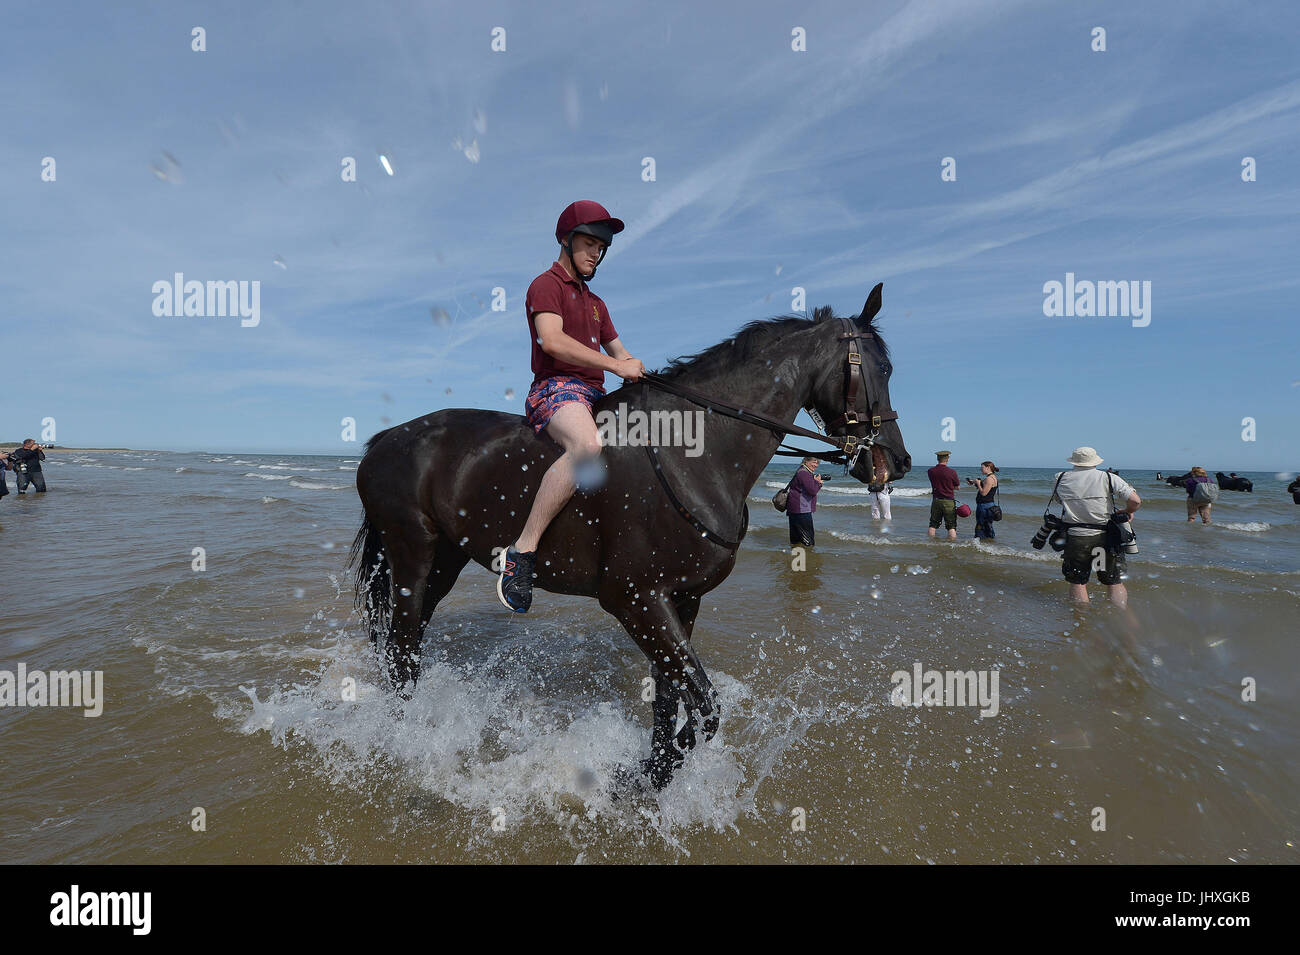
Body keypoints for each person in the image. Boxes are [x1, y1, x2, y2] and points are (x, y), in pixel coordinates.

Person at [497, 201, 645, 613]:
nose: (597, 252)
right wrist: (617, 365)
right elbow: (553, 341)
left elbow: (622, 354)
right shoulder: (546, 286)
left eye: (603, 246)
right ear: (567, 239)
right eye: (589, 242)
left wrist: (639, 373)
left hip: (596, 396)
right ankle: (521, 554)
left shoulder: (598, 304)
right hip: (556, 388)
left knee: (650, 443)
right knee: (587, 448)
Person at [1046, 447, 1141, 607]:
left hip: (1076, 537)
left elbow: (1059, 500)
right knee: (1112, 581)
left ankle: (1081, 620)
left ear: (1074, 461)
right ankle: (1118, 617)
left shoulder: (1060, 478)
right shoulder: (1108, 477)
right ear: (1095, 461)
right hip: (1105, 538)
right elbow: (1135, 501)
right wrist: (1128, 511)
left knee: (1078, 582)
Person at [787, 455, 825, 547]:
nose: (815, 465)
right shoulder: (804, 473)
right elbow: (812, 491)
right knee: (808, 540)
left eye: (817, 463)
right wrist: (818, 483)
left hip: (795, 509)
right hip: (801, 510)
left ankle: (796, 557)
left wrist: (814, 480)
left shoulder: (801, 471)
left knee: (796, 539)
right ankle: (809, 558)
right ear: (806, 462)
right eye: (813, 462)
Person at [926, 451, 960, 540]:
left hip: (936, 500)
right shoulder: (952, 472)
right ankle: (952, 544)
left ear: (937, 459)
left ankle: (930, 542)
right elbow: (957, 487)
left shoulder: (931, 471)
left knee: (933, 524)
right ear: (947, 459)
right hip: (948, 501)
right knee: (951, 525)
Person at [967, 461, 999, 539]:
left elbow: (984, 493)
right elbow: (983, 484)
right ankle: (988, 542)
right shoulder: (991, 477)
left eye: (982, 468)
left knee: (980, 525)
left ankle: (978, 542)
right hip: (988, 504)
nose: (981, 470)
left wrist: (978, 484)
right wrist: (974, 482)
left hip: (985, 506)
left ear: (988, 468)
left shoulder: (989, 479)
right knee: (987, 525)